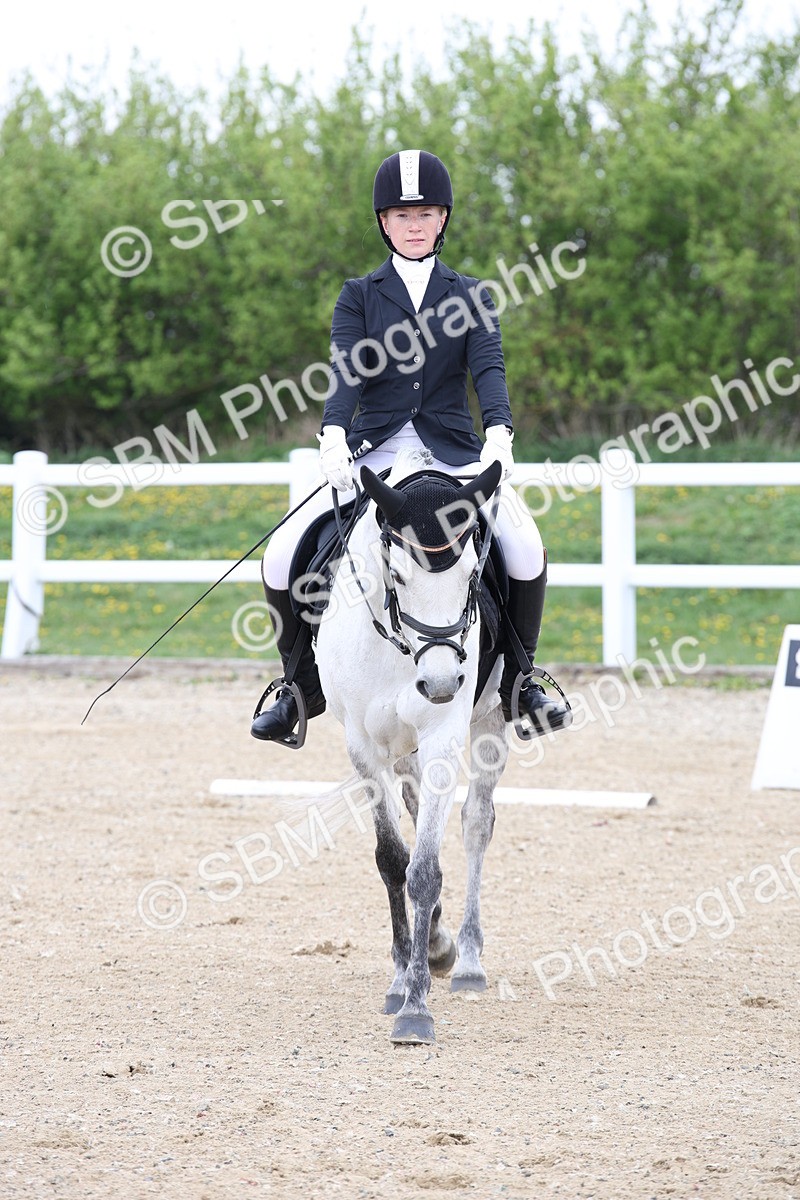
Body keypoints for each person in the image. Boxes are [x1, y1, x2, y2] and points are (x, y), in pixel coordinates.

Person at [251, 148, 571, 745]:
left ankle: (520, 684)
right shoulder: (359, 295)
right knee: (282, 552)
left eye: (424, 212)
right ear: (383, 222)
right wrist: (333, 437)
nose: (414, 223)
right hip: (374, 450)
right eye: (402, 214)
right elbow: (347, 372)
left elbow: (489, 368)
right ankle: (296, 686)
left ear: (443, 218)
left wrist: (499, 432)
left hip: (452, 449)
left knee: (524, 547)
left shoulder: (471, 294)